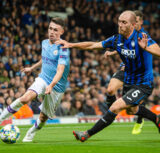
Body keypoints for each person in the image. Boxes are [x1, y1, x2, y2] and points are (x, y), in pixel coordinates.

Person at [56, 10, 160, 142]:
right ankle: (156, 119)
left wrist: (146, 48)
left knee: (116, 107)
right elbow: (94, 45)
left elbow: (158, 51)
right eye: (119, 22)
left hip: (143, 83)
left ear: (133, 25)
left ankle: (86, 134)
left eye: (124, 22)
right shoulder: (116, 39)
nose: (120, 25)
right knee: (131, 111)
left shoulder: (141, 37)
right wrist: (71, 45)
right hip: (128, 80)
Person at [0, 17, 70, 142]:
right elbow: (44, 59)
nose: (52, 32)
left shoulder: (63, 48)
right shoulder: (44, 43)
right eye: (50, 28)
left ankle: (30, 133)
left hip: (57, 87)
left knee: (43, 117)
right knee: (26, 98)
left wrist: (52, 85)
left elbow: (60, 70)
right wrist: (32, 68)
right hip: (43, 78)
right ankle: (1, 118)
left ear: (62, 32)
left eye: (55, 30)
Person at [104, 10, 149, 135]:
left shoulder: (143, 36)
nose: (137, 23)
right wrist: (112, 52)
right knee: (110, 90)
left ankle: (140, 120)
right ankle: (112, 113)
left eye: (139, 21)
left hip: (138, 73)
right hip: (124, 68)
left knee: (132, 109)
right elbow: (122, 46)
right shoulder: (126, 34)